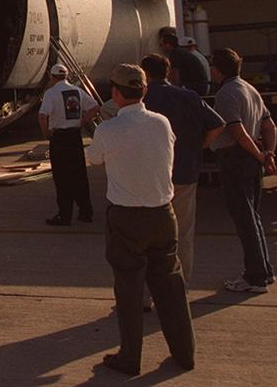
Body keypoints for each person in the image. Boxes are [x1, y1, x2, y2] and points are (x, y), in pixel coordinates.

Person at [86, 63, 195, 376]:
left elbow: (94, 159)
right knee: (171, 288)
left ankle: (130, 357)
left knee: (129, 290)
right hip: (163, 214)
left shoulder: (108, 129)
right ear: (144, 90)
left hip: (126, 218)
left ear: (115, 93)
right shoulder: (161, 123)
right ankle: (184, 353)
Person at [141, 53, 224, 288]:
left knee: (150, 235)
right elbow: (218, 124)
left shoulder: (143, 100)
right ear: (168, 72)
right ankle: (180, 284)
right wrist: (202, 144)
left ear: (145, 74)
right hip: (186, 172)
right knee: (183, 233)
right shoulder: (188, 96)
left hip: (153, 177)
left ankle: (148, 290)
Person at [209, 47, 277, 294]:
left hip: (236, 160)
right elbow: (270, 126)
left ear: (217, 69)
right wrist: (269, 154)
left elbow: (239, 133)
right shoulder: (250, 89)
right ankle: (265, 270)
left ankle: (255, 278)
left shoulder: (226, 94)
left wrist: (260, 155)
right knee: (253, 218)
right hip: (251, 161)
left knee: (244, 221)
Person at [39, 63, 97, 226]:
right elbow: (94, 107)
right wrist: (82, 122)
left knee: (62, 177)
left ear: (52, 77)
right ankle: (86, 212)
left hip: (59, 138)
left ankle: (64, 215)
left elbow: (42, 116)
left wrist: (46, 133)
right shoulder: (76, 90)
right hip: (75, 136)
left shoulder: (51, 93)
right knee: (79, 175)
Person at [157, 28, 208, 96]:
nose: (160, 48)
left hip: (195, 87)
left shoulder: (175, 53)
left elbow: (175, 76)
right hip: (201, 86)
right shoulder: (181, 52)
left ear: (168, 45)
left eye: (161, 45)